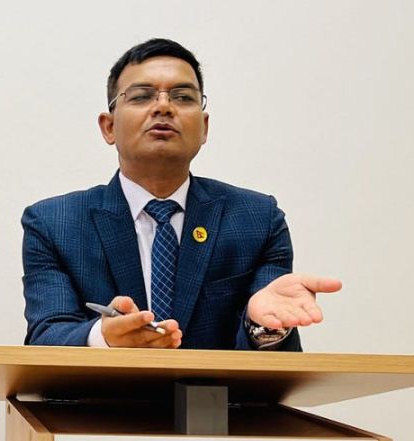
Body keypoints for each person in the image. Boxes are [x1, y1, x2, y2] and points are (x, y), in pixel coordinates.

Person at [21, 38, 341, 350]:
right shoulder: (55, 223)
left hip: (218, 389)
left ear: (204, 128)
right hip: (100, 389)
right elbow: (46, 335)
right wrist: (104, 337)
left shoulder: (258, 219)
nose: (163, 107)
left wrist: (264, 327)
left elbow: (273, 355)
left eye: (183, 97)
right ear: (109, 127)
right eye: (141, 96)